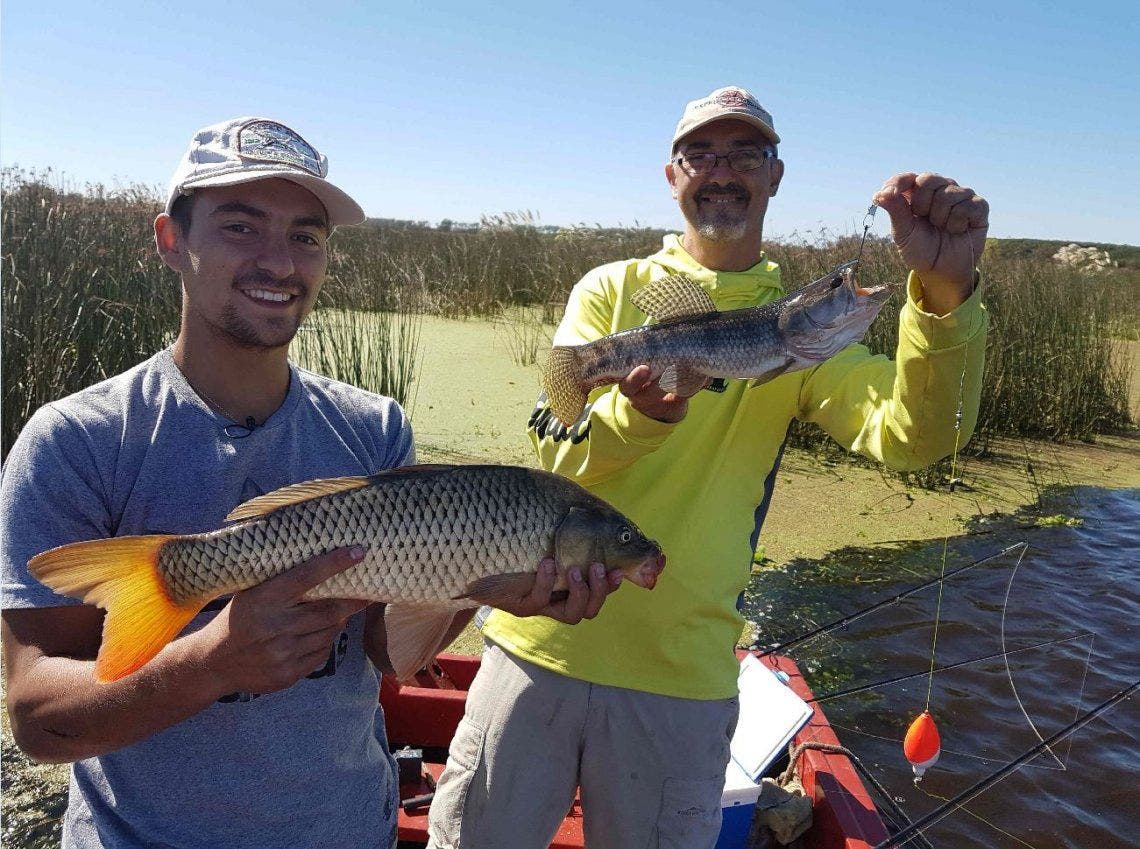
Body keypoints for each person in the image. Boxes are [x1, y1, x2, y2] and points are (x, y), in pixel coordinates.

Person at [0, 117, 615, 849]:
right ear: (171, 240)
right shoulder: (77, 440)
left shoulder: (373, 428)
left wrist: (480, 586)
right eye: (241, 225)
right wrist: (213, 659)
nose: (279, 262)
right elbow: (39, 719)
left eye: (306, 236)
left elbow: (390, 652)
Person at [427, 86, 990, 848]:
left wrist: (945, 296)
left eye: (745, 154)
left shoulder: (800, 338)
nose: (721, 171)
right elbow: (557, 447)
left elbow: (914, 435)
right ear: (673, 174)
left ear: (775, 174)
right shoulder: (611, 291)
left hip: (681, 684)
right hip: (535, 646)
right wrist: (647, 410)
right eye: (702, 153)